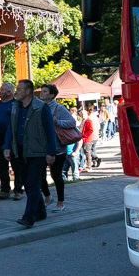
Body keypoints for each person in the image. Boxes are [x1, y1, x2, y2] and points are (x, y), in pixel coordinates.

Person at [3, 79, 56, 229]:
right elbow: (10, 128)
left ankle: (28, 217)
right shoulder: (15, 106)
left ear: (28, 92)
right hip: (19, 151)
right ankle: (40, 212)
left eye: (19, 89)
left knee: (32, 184)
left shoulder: (41, 107)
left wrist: (51, 152)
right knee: (28, 184)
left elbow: (50, 131)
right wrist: (7, 146)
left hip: (37, 152)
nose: (16, 92)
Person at [37, 83, 76, 212]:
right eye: (41, 91)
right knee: (40, 174)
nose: (41, 94)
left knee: (56, 175)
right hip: (42, 147)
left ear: (52, 95)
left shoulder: (59, 108)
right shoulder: (39, 107)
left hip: (58, 147)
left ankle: (60, 202)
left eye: (44, 91)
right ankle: (47, 196)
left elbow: (72, 122)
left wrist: (57, 122)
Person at [0, 82, 20, 201]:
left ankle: (18, 190)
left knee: (17, 167)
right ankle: (5, 190)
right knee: (2, 168)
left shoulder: (16, 105)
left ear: (9, 92)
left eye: (2, 90)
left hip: (13, 141)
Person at [80, 109, 94, 173]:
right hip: (83, 139)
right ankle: (85, 165)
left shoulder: (88, 120)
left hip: (87, 139)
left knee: (87, 152)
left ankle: (89, 166)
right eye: (82, 114)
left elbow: (90, 130)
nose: (83, 115)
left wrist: (84, 136)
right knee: (84, 153)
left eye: (84, 114)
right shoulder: (83, 120)